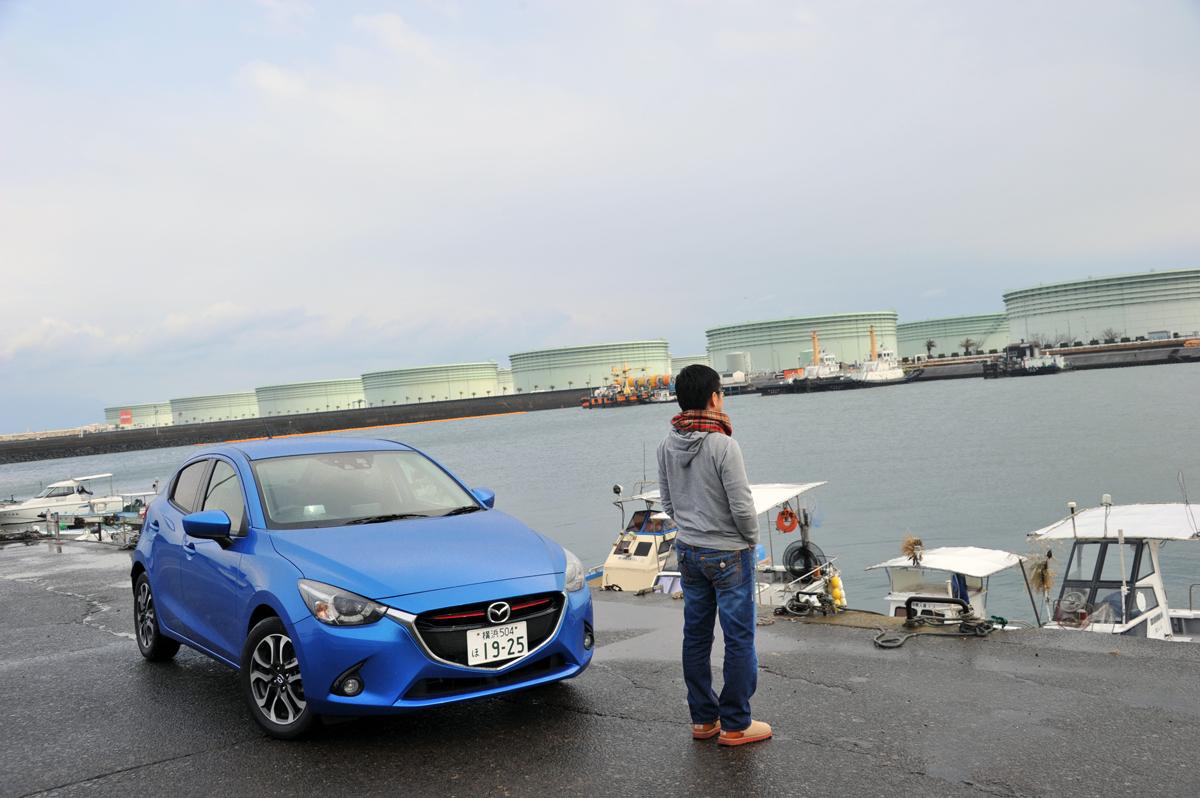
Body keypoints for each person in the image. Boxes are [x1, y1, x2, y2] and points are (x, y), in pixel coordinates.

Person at [657, 364, 771, 747]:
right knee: (739, 639)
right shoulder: (724, 445)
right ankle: (736, 723)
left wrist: (692, 528)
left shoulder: (666, 444)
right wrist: (749, 540)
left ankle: (704, 720)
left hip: (688, 552)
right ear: (714, 397)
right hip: (728, 553)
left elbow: (669, 503)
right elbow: (742, 506)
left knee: (696, 636)